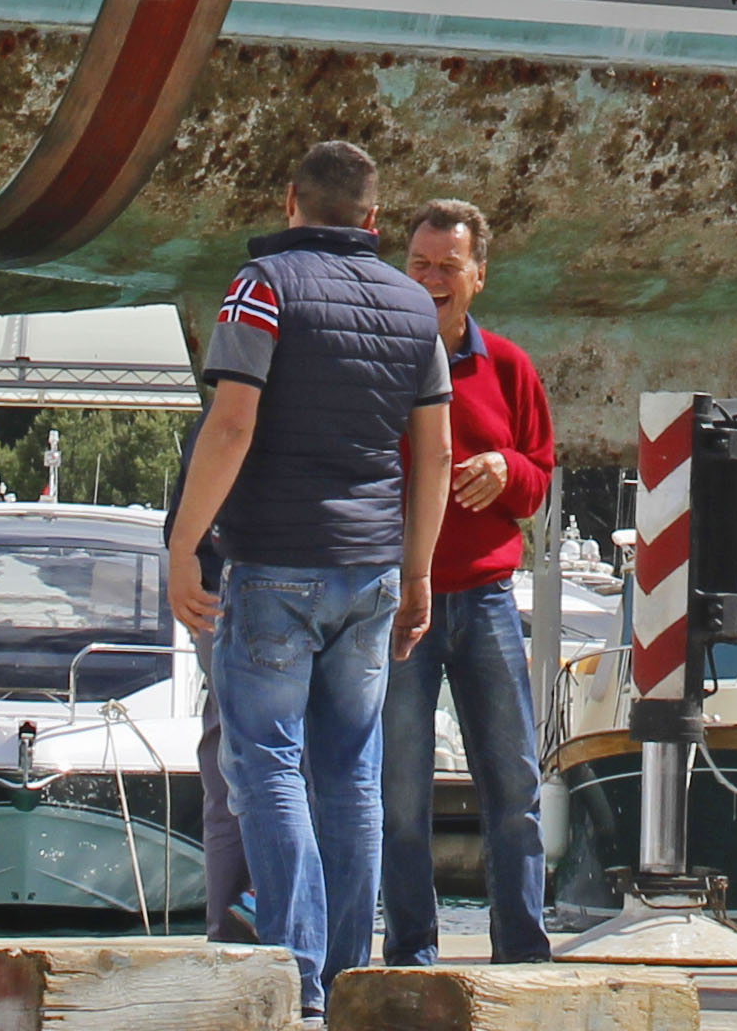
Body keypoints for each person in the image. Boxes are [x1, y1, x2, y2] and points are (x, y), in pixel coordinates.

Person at [168, 141, 449, 1016]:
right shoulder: (413, 305)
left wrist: (184, 545)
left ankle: (296, 980)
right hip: (370, 572)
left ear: (290, 201)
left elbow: (232, 424)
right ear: (373, 219)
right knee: (351, 773)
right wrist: (419, 572)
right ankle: (348, 976)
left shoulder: (263, 285)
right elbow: (435, 450)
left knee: (268, 767)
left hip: (277, 566)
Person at [381, 197, 556, 964]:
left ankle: (522, 954)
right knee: (399, 798)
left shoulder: (510, 367)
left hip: (486, 602)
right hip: (398, 604)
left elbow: (542, 478)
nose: (430, 279)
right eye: (418, 264)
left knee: (513, 788)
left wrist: (505, 468)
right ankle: (410, 956)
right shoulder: (380, 360)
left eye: (447, 266)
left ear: (478, 276)